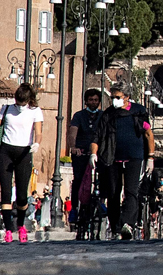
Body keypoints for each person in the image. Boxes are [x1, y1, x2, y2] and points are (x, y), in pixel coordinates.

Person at [89, 83, 155, 240]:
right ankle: (115, 226)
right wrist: (93, 154)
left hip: (135, 156)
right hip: (112, 157)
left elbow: (148, 134)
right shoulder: (107, 114)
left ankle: (128, 224)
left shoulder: (138, 111)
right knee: (113, 192)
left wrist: (151, 157)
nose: (114, 101)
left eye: (117, 97)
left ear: (127, 97)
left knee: (131, 191)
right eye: (112, 98)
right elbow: (97, 136)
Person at [0, 83, 43, 244]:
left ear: (29, 100)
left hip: (24, 153)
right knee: (6, 193)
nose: (20, 105)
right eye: (18, 102)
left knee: (22, 196)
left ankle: (20, 225)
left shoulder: (35, 111)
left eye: (23, 102)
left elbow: (39, 131)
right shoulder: (6, 108)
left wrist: (37, 143)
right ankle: (8, 229)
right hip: (6, 151)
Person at [66, 89, 102, 227]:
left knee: (102, 179)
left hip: (98, 153)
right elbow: (72, 133)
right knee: (78, 180)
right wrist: (73, 147)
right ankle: (74, 208)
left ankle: (100, 203)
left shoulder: (103, 116)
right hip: (80, 152)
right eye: (91, 100)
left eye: (96, 100)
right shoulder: (79, 116)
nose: (93, 102)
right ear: (86, 101)